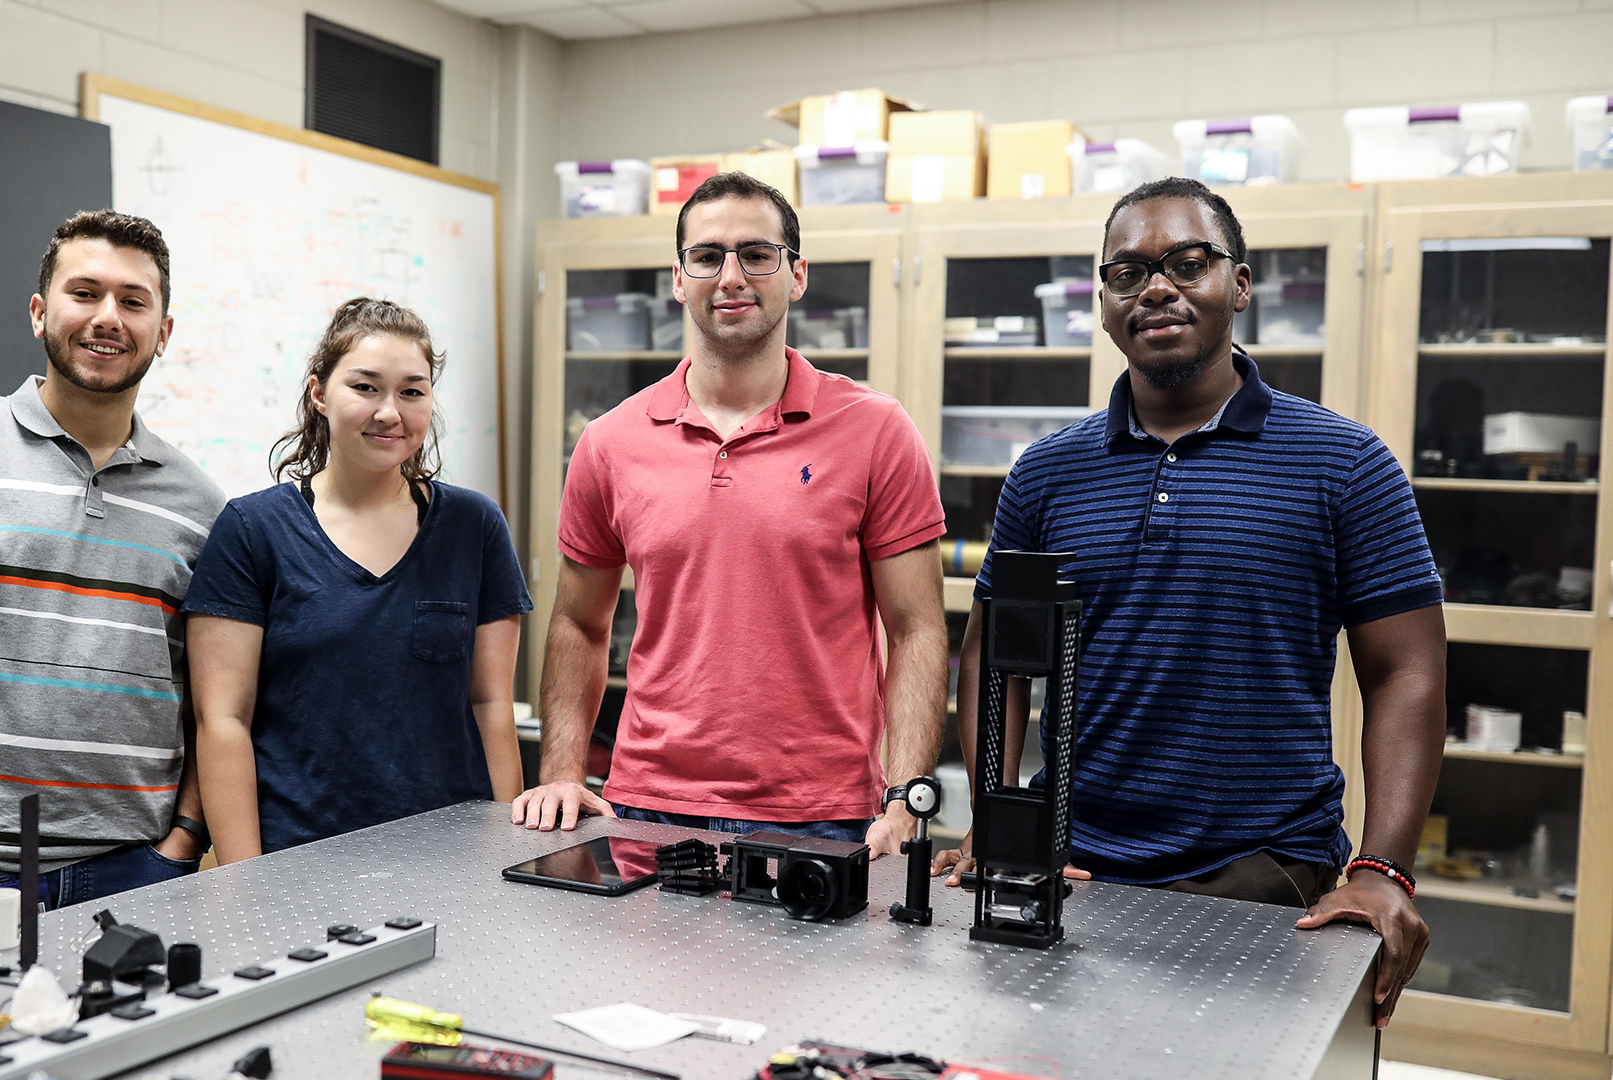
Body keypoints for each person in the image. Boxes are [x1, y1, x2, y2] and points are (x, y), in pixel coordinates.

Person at [932, 177, 1444, 1026]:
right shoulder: (1046, 473)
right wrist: (1001, 814)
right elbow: (992, 655)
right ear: (1103, 304)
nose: (1157, 287)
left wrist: (1383, 869)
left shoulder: (1345, 463)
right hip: (1075, 864)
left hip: (1264, 874)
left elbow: (1407, 674)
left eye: (1188, 263)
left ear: (1238, 286)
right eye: (1128, 272)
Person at [510, 172, 949, 856]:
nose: (732, 276)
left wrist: (904, 800)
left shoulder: (876, 430)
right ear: (679, 280)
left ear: (796, 275)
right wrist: (562, 773)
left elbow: (917, 629)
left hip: (820, 816)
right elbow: (576, 620)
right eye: (708, 256)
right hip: (646, 810)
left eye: (757, 254)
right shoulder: (610, 442)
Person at [0, 210, 225, 956]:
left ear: (165, 330)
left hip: (132, 878)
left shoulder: (201, 508)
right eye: (84, 292)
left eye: (133, 300)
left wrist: (181, 844)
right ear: (39, 312)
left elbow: (213, 704)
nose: (107, 318)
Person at [183, 298, 530, 862]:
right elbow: (223, 721)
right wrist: (244, 881)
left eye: (412, 391)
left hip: (454, 858)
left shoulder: (475, 526)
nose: (390, 412)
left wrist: (508, 856)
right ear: (319, 393)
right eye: (365, 388)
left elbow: (490, 703)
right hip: (300, 861)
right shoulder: (252, 530)